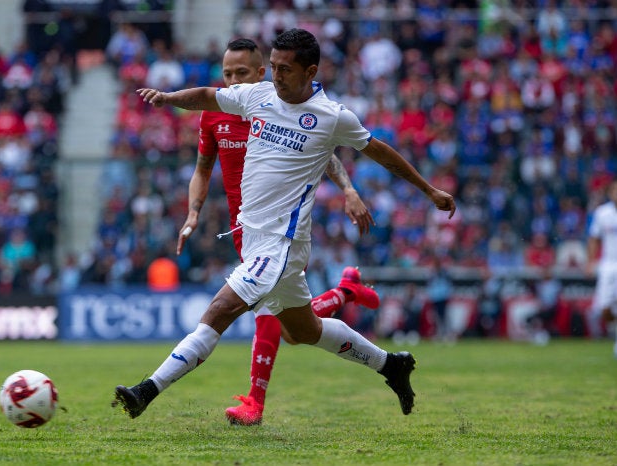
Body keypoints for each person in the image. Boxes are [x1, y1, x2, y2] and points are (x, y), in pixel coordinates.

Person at [113, 28, 456, 422]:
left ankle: (146, 391)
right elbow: (209, 96)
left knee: (219, 311)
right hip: (254, 235)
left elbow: (380, 152)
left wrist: (429, 191)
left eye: (285, 69)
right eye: (273, 67)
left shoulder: (332, 117)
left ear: (310, 71)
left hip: (281, 242)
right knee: (304, 331)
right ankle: (390, 365)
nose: (275, 76)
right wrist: (169, 98)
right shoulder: (258, 96)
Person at [175, 38, 380, 426]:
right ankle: (344, 292)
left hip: (280, 227)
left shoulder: (270, 106)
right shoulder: (214, 115)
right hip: (243, 226)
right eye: (227, 73)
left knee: (266, 311)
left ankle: (254, 402)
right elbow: (202, 170)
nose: (232, 79)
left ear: (259, 74)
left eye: (241, 73)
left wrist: (349, 190)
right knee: (293, 330)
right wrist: (193, 212)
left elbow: (326, 152)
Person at [586, 179, 617, 357]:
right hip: (608, 265)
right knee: (604, 308)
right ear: (609, 193)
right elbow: (593, 238)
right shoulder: (602, 213)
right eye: (614, 190)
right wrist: (590, 262)